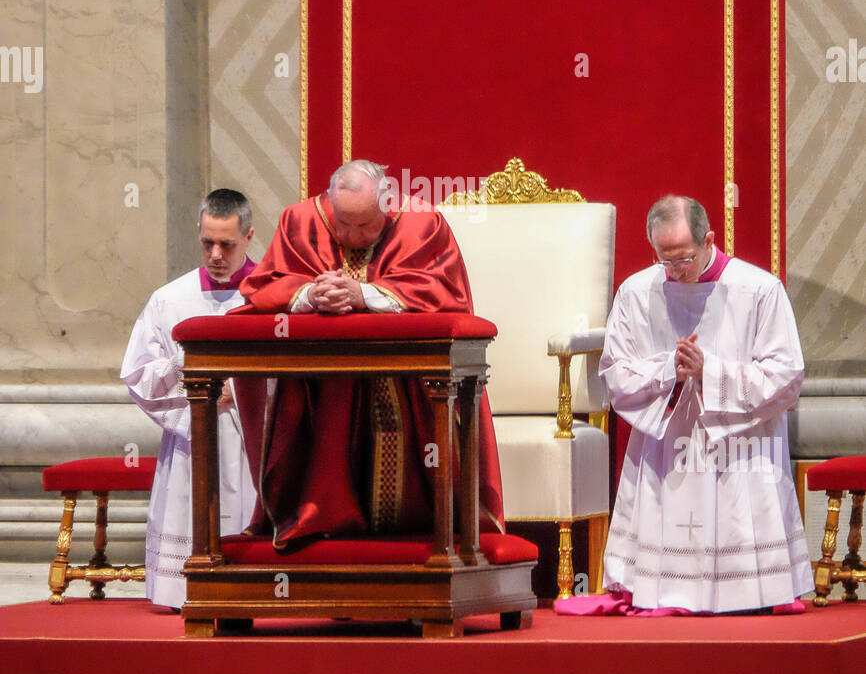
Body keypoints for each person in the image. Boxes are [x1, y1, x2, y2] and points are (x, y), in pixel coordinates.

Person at [559, 194, 812, 616]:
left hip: (740, 448)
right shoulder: (636, 293)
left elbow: (787, 377)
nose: (676, 270)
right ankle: (662, 590)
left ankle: (747, 594)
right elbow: (615, 374)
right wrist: (668, 372)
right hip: (666, 448)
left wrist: (709, 373)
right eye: (666, 260)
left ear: (709, 239)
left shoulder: (759, 290)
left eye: (685, 259)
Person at [234, 160, 504, 547]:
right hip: (326, 383)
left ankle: (430, 535)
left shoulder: (421, 222)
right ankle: (323, 523)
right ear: (330, 203)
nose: (351, 236)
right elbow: (266, 283)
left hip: (413, 382)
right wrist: (308, 294)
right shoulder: (301, 220)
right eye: (343, 223)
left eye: (365, 225)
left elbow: (446, 291)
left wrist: (364, 294)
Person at [121, 189, 258, 608]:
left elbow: (299, 373)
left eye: (228, 244)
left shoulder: (270, 297)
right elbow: (139, 372)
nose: (216, 254)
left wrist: (239, 389)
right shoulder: (169, 299)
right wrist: (191, 382)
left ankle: (253, 589)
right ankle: (182, 591)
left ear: (250, 237)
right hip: (190, 436)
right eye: (207, 242)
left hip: (251, 437)